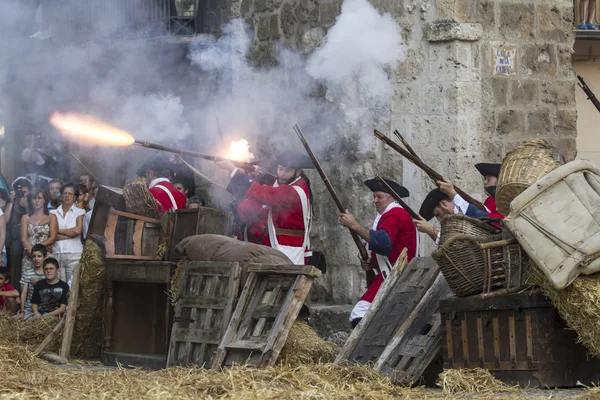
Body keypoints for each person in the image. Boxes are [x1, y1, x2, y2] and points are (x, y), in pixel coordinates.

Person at [339, 178, 417, 328]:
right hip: (392, 272)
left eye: (379, 197)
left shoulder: (394, 214)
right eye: (374, 197)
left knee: (359, 315)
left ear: (392, 197)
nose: (375, 200)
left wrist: (354, 225)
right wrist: (372, 262)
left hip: (395, 275)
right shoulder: (391, 214)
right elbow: (392, 249)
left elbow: (383, 243)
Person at [216, 150, 314, 265]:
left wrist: (232, 170)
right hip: (279, 246)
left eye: (287, 171)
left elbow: (263, 192)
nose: (281, 174)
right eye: (280, 169)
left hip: (288, 249)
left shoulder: (292, 191)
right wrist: (256, 175)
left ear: (298, 172)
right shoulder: (291, 184)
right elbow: (270, 188)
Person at [414, 179, 488, 242]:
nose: (439, 219)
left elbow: (455, 245)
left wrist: (429, 229)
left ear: (443, 204)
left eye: (437, 214)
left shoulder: (471, 210)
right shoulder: (457, 218)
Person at [50, 183, 84, 284]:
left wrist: (58, 230)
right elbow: (52, 236)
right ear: (61, 195)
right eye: (64, 193)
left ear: (75, 197)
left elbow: (77, 230)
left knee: (73, 286)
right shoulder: (53, 213)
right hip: (56, 253)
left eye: (70, 193)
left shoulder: (80, 212)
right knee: (58, 285)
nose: (67, 196)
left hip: (74, 254)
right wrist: (71, 233)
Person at [20, 189, 57, 276]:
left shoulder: (52, 217)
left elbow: (53, 238)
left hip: (46, 254)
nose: (37, 201)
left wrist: (37, 250)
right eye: (34, 198)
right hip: (29, 254)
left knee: (48, 283)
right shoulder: (25, 217)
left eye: (39, 198)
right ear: (30, 201)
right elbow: (23, 239)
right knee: (28, 283)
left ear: (44, 200)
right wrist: (32, 251)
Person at [7, 177, 32, 284]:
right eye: (19, 191)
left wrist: (26, 205)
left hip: (30, 242)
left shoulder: (34, 202)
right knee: (14, 270)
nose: (21, 194)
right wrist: (12, 202)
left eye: (25, 191)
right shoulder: (11, 203)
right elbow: (5, 220)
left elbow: (33, 219)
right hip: (15, 242)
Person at [16, 244, 47, 321]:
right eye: (34, 256)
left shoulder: (48, 273)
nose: (36, 259)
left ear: (44, 257)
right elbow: (24, 293)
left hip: (45, 307)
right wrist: (22, 311)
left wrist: (38, 283)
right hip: (29, 307)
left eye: (39, 256)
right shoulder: (27, 273)